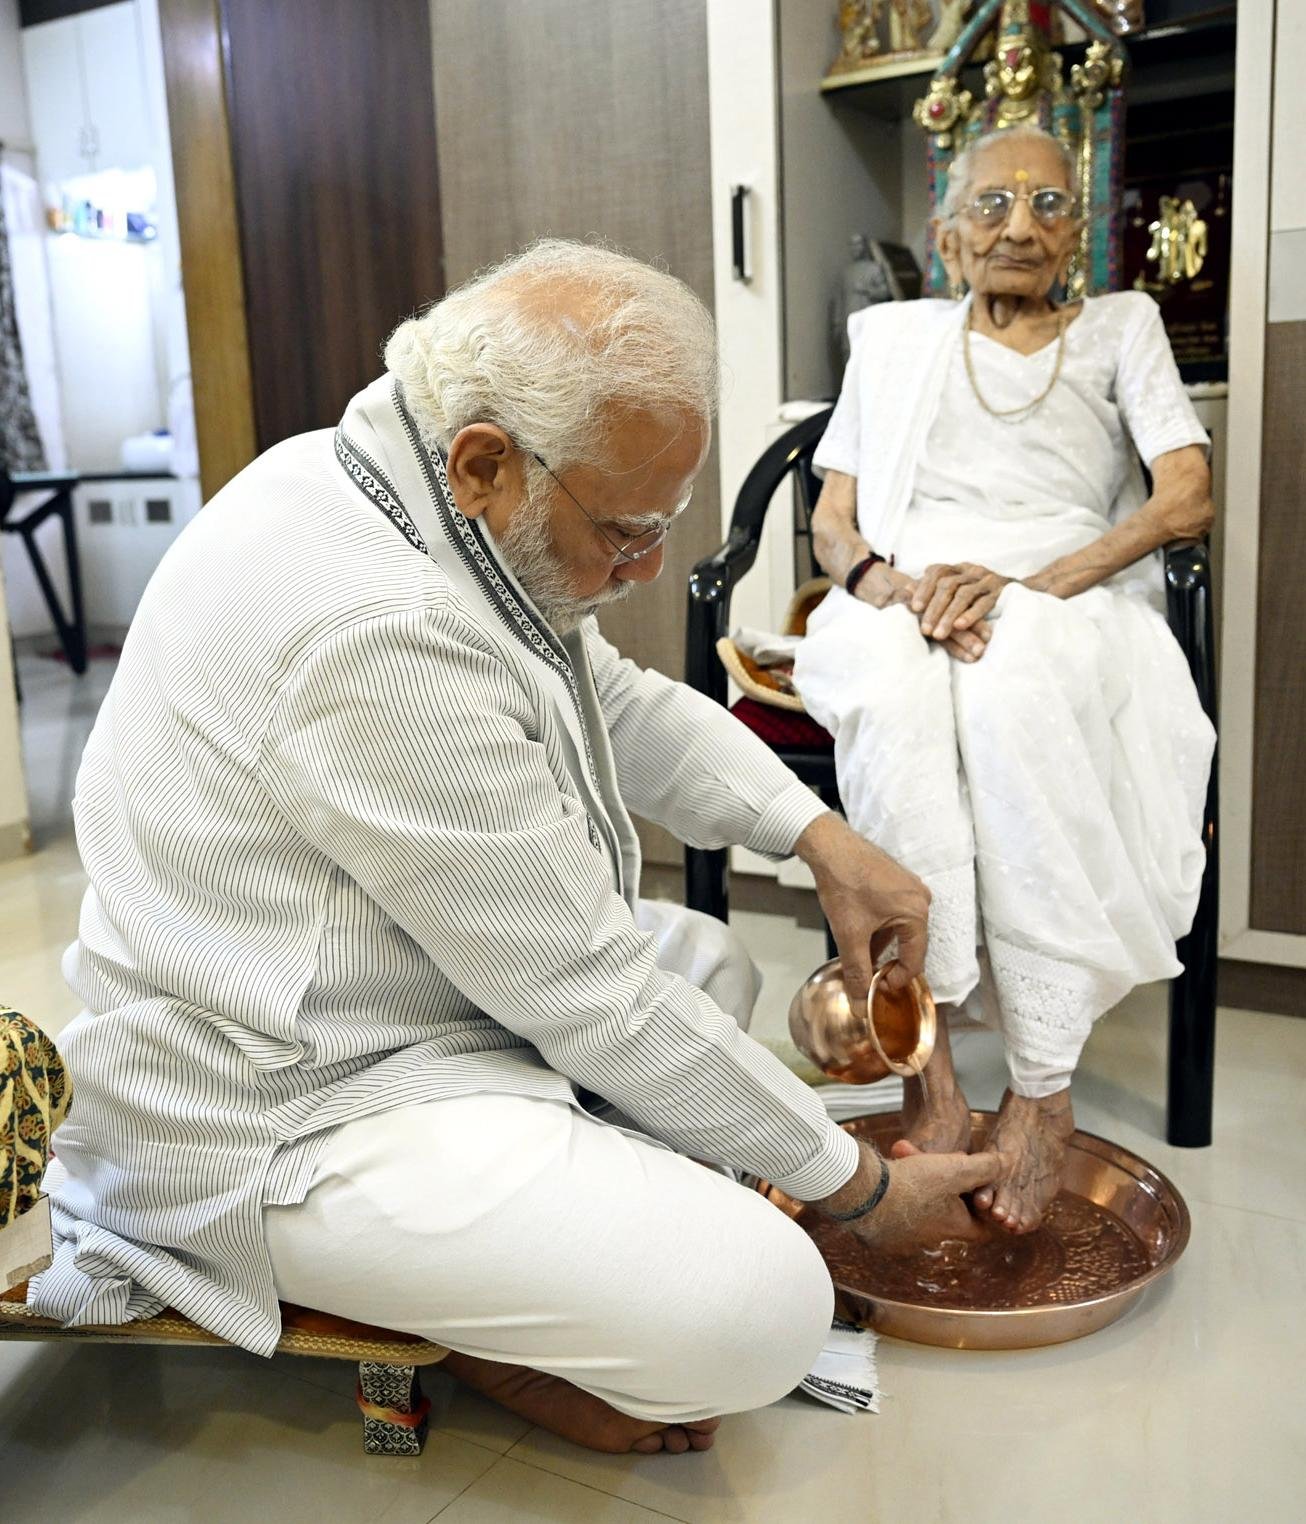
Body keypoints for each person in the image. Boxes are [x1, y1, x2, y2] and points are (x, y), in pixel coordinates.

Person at [30, 240, 998, 1456]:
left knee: (703, 962)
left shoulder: (403, 489)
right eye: (630, 528)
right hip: (280, 1106)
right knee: (763, 1307)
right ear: (486, 461)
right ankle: (453, 1314)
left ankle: (497, 1291)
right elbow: (591, 998)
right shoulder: (374, 626)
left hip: (384, 993)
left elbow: (617, 701)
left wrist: (819, 839)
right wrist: (861, 1193)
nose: (648, 566)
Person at [794, 125, 1216, 1235]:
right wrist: (889, 585)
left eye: (1045, 203)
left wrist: (1026, 586)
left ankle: (1041, 1076)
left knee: (1008, 690)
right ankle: (924, 1062)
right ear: (944, 233)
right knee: (891, 700)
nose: (1018, 226)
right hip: (907, 585)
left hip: (1060, 591)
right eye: (991, 205)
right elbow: (832, 522)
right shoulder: (892, 339)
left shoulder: (1123, 326)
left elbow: (1184, 500)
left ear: (1078, 226)